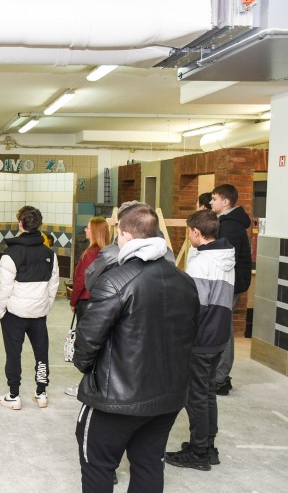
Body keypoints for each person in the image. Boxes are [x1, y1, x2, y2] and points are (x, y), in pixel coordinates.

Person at [73, 204, 199, 493]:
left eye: (118, 234)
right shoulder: (185, 281)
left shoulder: (115, 281)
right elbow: (192, 335)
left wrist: (89, 369)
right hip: (167, 397)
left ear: (126, 235)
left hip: (116, 398)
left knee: (97, 464)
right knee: (149, 464)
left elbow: (86, 342)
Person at [166, 209, 235, 471]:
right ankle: (207, 446)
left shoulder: (200, 262)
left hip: (201, 337)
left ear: (197, 232)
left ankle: (198, 453)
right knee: (207, 393)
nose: (189, 236)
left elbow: (195, 307)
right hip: (219, 335)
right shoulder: (226, 256)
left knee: (195, 395)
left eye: (189, 232)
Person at [0, 205, 59, 410]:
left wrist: (0, 311)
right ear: (39, 224)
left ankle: (13, 395)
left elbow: (4, 288)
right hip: (39, 313)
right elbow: (53, 285)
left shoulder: (10, 253)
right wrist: (46, 307)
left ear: (20, 224)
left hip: (14, 313)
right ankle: (42, 393)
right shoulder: (50, 254)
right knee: (42, 352)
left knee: (14, 354)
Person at [209, 183, 252, 395]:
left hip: (230, 283)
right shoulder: (227, 222)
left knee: (223, 328)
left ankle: (220, 378)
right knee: (222, 326)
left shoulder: (230, 225)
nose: (211, 202)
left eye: (214, 199)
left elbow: (226, 258)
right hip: (229, 282)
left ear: (225, 202)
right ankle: (219, 375)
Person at [65, 216, 110, 397]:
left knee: (86, 345)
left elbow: (80, 280)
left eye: (88, 228)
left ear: (96, 231)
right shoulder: (107, 252)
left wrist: (73, 301)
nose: (85, 230)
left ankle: (87, 384)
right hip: (99, 301)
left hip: (86, 302)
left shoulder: (91, 253)